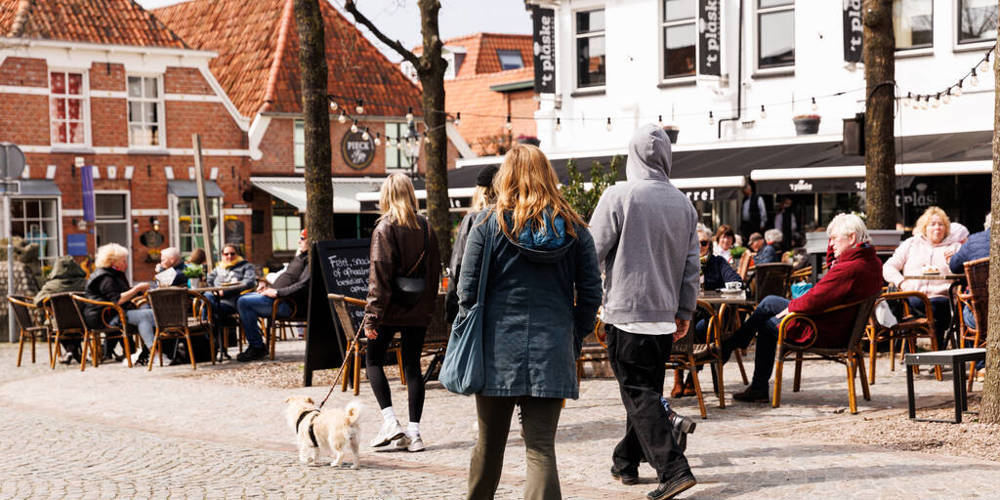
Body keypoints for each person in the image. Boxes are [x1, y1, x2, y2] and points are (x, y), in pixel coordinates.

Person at [459, 144, 601, 500]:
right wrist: (572, 334)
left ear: (506, 175)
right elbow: (591, 294)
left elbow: (466, 291)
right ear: (548, 176)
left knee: (489, 444)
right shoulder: (574, 229)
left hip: (496, 349)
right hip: (551, 347)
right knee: (540, 447)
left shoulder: (487, 225)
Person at [590, 124, 699, 500]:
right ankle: (626, 461)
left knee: (638, 394)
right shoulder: (684, 204)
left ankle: (673, 469)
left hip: (627, 311)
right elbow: (691, 267)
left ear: (631, 156)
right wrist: (685, 310)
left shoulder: (619, 195)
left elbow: (592, 253)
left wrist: (584, 298)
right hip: (665, 316)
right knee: (645, 393)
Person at [722, 213, 884, 402]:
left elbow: (818, 296)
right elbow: (829, 273)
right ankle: (737, 343)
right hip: (839, 325)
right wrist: (794, 306)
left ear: (852, 238)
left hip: (823, 330)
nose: (831, 244)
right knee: (769, 302)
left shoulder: (850, 268)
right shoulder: (870, 261)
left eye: (834, 238)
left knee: (767, 325)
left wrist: (793, 308)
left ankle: (751, 375)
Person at [363, 173, 441, 453]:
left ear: (386, 195)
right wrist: (427, 308)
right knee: (412, 368)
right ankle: (415, 433)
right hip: (417, 308)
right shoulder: (426, 227)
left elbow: (379, 276)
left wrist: (371, 316)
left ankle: (390, 421)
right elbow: (434, 274)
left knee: (373, 360)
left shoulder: (384, 228)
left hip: (389, 308)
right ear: (410, 193)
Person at [672, 223, 742, 399]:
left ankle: (690, 376)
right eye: (693, 243)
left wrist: (729, 287)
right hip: (683, 314)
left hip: (708, 316)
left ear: (709, 244)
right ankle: (678, 377)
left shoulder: (717, 263)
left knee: (704, 329)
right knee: (677, 326)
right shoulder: (680, 264)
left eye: (703, 243)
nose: (699, 247)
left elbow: (736, 281)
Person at [883, 206, 961, 349]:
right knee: (924, 307)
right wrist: (902, 283)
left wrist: (954, 262)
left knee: (937, 307)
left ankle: (936, 355)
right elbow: (888, 267)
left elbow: (963, 272)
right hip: (914, 296)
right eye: (933, 224)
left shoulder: (954, 247)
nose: (937, 228)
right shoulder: (911, 244)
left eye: (941, 224)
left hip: (944, 297)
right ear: (925, 227)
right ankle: (931, 355)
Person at [236, 230, 310, 362]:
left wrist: (276, 292)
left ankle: (257, 346)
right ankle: (256, 344)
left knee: (243, 302)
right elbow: (286, 277)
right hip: (277, 298)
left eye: (302, 238)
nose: (299, 241)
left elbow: (303, 286)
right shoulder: (301, 257)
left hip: (286, 304)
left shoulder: (310, 260)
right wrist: (267, 286)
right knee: (243, 299)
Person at [83, 243, 155, 365]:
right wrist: (137, 289)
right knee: (147, 315)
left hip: (112, 312)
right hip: (102, 316)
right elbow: (117, 299)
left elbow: (123, 292)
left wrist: (139, 293)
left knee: (150, 313)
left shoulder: (115, 274)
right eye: (123, 261)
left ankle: (151, 352)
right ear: (113, 262)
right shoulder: (105, 277)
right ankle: (154, 353)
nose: (126, 264)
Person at [445, 164, 498, 324]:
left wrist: (452, 303)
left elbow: (459, 264)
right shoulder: (510, 220)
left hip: (475, 302)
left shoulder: (473, 219)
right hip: (499, 302)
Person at [34, 256, 88, 364]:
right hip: (83, 321)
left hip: (59, 323)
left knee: (57, 323)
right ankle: (74, 352)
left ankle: (70, 351)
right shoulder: (85, 283)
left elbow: (37, 302)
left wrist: (48, 303)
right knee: (76, 324)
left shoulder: (51, 286)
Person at [950, 213, 991, 332]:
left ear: (986, 225)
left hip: (981, 316)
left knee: (967, 303)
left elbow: (954, 266)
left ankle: (974, 348)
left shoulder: (973, 241)